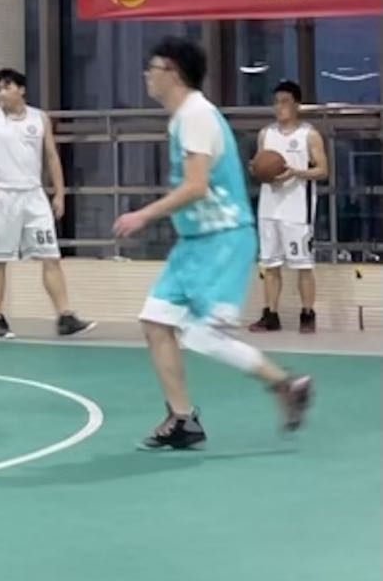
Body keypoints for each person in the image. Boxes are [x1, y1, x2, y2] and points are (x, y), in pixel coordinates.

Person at [116, 39, 312, 449]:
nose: (147, 74)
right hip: (193, 244)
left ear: (173, 72)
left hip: (223, 241)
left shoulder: (196, 116)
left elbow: (196, 186)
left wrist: (144, 214)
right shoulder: (181, 119)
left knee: (204, 337)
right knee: (155, 321)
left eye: (153, 68)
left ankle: (286, 384)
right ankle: (183, 419)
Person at [0, 68, 94, 339]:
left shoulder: (39, 118)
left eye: (7, 87)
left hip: (34, 195)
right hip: (3, 197)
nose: (2, 93)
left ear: (21, 90)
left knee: (51, 256)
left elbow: (52, 156)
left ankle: (65, 316)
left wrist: (59, 193)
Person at [250, 80, 328, 335]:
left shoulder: (309, 134)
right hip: (269, 208)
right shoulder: (266, 134)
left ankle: (307, 313)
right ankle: (271, 314)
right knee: (270, 265)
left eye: (285, 101)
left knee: (303, 265)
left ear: (297, 105)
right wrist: (257, 169)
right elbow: (260, 164)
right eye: (276, 102)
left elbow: (323, 170)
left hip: (297, 210)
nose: (279, 107)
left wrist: (296, 172)